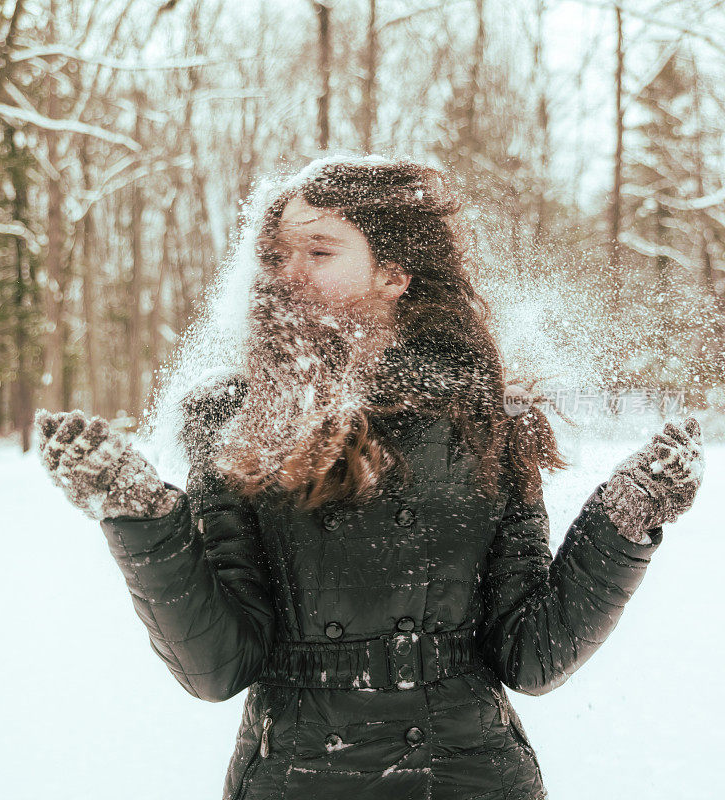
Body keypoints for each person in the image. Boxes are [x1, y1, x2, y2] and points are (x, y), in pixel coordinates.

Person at [34, 154, 705, 800]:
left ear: (394, 274)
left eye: (318, 252)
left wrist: (621, 521)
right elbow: (217, 667)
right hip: (299, 781)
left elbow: (531, 655)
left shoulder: (488, 421)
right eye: (274, 257)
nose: (283, 274)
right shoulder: (235, 424)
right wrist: (143, 516)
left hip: (472, 781)